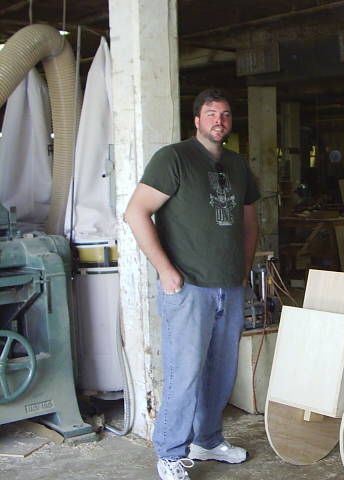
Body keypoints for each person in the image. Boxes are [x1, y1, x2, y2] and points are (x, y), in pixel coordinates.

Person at [125, 88, 259, 480]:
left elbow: (250, 223)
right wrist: (165, 269)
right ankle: (169, 453)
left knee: (221, 372)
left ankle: (208, 440)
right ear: (197, 120)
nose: (220, 120)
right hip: (188, 287)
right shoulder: (174, 158)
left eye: (226, 114)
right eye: (211, 114)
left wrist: (243, 268)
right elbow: (136, 212)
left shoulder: (237, 165)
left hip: (229, 286)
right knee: (185, 374)